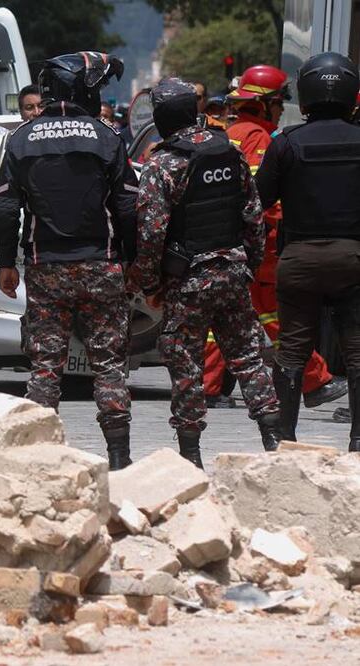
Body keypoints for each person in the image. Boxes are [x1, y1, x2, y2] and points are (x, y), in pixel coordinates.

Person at [0, 51, 138, 470]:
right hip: (101, 264)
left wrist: (6, 261)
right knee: (109, 364)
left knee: (45, 366)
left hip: (45, 266)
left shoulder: (22, 138)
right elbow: (127, 206)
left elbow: (5, 207)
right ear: (80, 90)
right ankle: (119, 457)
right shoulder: (106, 136)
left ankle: (39, 458)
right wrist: (132, 258)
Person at [129, 79, 281, 467]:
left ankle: (191, 455)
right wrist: (247, 265)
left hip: (188, 280)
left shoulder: (162, 163)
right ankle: (274, 441)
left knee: (185, 365)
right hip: (232, 272)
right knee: (249, 358)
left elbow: (151, 233)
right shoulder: (228, 151)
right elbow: (253, 217)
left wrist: (150, 283)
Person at [206, 65, 348, 410]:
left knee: (233, 314)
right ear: (264, 103)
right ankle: (314, 381)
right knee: (274, 314)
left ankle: (208, 385)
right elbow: (258, 198)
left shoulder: (230, 133)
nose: (282, 109)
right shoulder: (256, 136)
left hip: (227, 240)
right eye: (278, 102)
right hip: (260, 244)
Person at [256, 52, 360, 450]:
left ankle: (285, 440)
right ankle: (357, 441)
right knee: (357, 353)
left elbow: (258, 201)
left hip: (298, 259)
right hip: (353, 259)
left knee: (292, 352)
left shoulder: (286, 143)